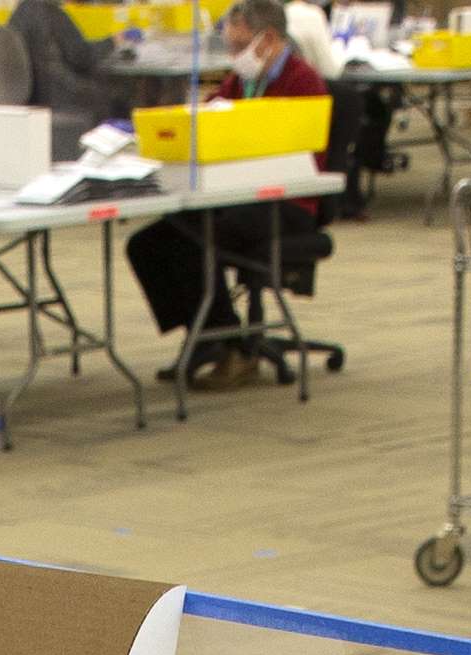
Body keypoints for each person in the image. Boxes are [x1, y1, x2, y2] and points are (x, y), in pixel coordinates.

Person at [126, 0, 329, 378]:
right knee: (148, 244)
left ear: (268, 40)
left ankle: (229, 343)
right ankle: (207, 335)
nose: (235, 57)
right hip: (233, 194)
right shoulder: (243, 81)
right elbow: (208, 119)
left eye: (240, 48)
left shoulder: (303, 82)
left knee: (194, 237)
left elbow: (303, 158)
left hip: (286, 202)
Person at [6, 0, 111, 153]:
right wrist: (112, 41)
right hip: (61, 98)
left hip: (30, 99)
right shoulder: (53, 14)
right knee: (114, 94)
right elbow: (82, 56)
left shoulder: (19, 13)